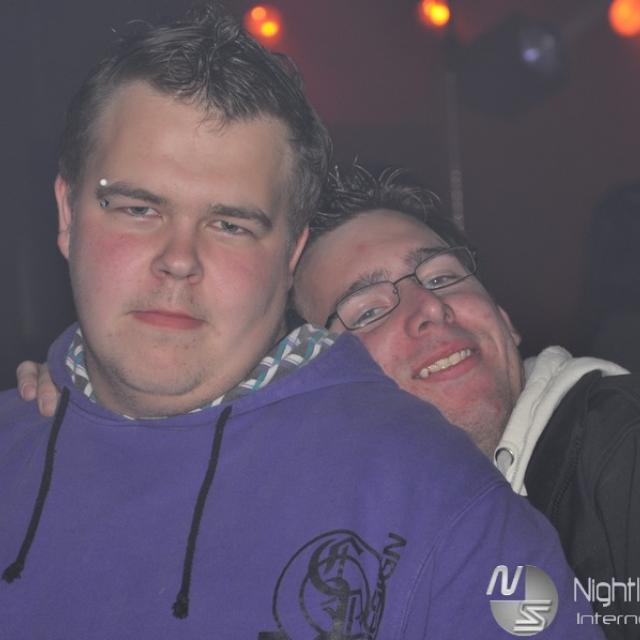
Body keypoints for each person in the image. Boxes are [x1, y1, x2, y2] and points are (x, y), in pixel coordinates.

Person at [3, 7, 601, 639]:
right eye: (137, 208)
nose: (179, 259)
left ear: (290, 256)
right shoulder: (18, 440)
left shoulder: (437, 500)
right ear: (68, 214)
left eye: (230, 224)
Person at [292, 163, 640, 639]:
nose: (430, 307)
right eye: (369, 310)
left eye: (441, 278)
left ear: (503, 319)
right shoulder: (329, 560)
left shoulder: (622, 448)